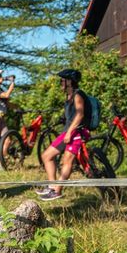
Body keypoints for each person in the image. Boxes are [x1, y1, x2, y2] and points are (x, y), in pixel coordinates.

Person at [38, 69, 91, 201]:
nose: (60, 82)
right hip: (68, 131)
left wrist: (69, 132)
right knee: (46, 156)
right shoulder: (69, 96)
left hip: (77, 131)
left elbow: (80, 114)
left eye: (62, 80)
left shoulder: (78, 95)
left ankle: (57, 191)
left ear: (70, 81)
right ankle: (52, 186)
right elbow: (70, 116)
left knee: (67, 161)